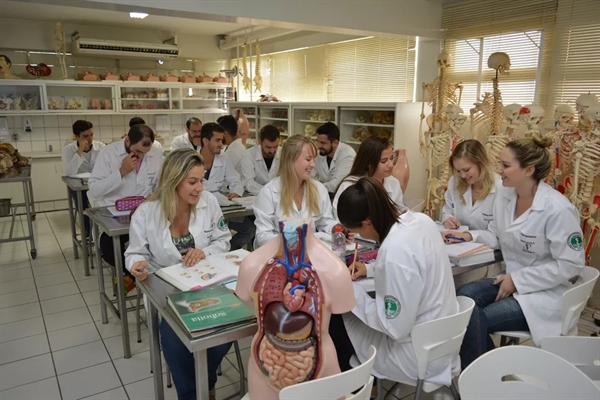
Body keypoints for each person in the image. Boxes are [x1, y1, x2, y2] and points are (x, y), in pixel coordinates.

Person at [442, 137, 585, 369]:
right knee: (464, 294)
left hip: (545, 293)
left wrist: (518, 280)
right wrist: (470, 236)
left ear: (528, 170)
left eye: (505, 165)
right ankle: (494, 377)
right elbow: (497, 235)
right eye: (499, 163)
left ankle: (485, 381)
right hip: (511, 278)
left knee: (470, 320)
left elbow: (571, 265)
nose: (498, 170)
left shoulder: (557, 209)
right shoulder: (506, 197)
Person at [125, 148, 232, 400]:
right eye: (192, 182)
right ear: (173, 181)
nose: (199, 188)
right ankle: (195, 393)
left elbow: (223, 240)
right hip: (168, 292)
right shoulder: (146, 212)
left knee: (224, 332)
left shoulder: (209, 203)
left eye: (202, 180)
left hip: (208, 286)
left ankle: (200, 387)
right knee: (175, 343)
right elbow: (135, 252)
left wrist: (204, 252)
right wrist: (137, 264)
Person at [331, 177, 459, 386]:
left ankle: (357, 390)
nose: (360, 236)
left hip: (415, 355)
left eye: (359, 231)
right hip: (444, 343)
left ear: (367, 222)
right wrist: (371, 269)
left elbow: (394, 327)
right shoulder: (422, 221)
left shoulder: (393, 252)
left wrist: (350, 291)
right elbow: (414, 269)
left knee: (338, 318)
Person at [89, 124, 163, 286]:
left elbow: (159, 184)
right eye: (137, 151)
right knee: (109, 250)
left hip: (144, 212)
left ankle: (142, 278)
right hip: (115, 214)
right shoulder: (108, 153)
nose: (141, 156)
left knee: (162, 245)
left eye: (145, 153)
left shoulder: (155, 152)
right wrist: (121, 172)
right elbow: (94, 190)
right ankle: (136, 275)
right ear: (127, 140)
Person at [253, 135, 343, 248]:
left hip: (310, 255)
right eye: (308, 159)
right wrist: (292, 240)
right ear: (290, 160)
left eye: (314, 160)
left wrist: (336, 229)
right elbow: (262, 236)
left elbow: (325, 221)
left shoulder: (319, 190)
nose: (313, 164)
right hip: (280, 257)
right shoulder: (269, 193)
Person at [200, 122, 254, 250]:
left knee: (250, 229)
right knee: (206, 238)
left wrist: (236, 192)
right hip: (200, 210)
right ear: (206, 141)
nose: (222, 144)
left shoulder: (223, 159)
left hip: (223, 207)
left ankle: (228, 251)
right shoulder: (191, 159)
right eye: (217, 140)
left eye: (222, 140)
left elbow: (236, 181)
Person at [332, 135, 404, 220]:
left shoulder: (393, 183)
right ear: (369, 163)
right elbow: (341, 219)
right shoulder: (350, 186)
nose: (391, 165)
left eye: (391, 158)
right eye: (384, 161)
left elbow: (401, 211)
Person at [442, 139, 501, 232]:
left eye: (466, 170)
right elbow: (448, 210)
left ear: (481, 163)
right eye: (458, 171)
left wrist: (469, 236)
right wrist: (447, 219)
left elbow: (499, 234)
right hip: (457, 242)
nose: (462, 176)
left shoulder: (500, 187)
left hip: (489, 245)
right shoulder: (455, 181)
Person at [61, 120, 105, 236]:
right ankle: (88, 233)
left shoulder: (101, 146)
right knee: (84, 206)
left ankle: (102, 234)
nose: (90, 139)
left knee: (103, 206)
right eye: (85, 136)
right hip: (79, 186)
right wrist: (80, 150)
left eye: (91, 135)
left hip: (98, 184)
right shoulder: (68, 150)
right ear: (76, 136)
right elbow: (69, 172)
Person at [312, 122, 356, 197]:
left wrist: (314, 187)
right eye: (318, 142)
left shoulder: (347, 154)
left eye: (323, 143)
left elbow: (336, 185)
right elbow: (311, 176)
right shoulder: (322, 153)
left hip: (344, 198)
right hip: (326, 195)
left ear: (335, 142)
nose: (319, 146)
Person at [240, 124, 281, 195]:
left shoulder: (283, 154)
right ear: (260, 142)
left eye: (275, 147)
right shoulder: (249, 155)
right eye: (268, 147)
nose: (272, 151)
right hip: (257, 196)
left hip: (279, 195)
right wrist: (269, 193)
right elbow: (249, 182)